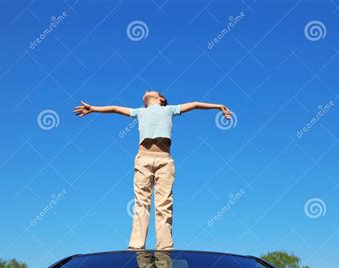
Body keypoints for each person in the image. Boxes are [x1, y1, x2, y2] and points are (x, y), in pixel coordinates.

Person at [74, 91, 232, 250]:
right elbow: (115, 108)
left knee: (164, 204)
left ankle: (165, 247)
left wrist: (218, 106)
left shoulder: (169, 109)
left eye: (150, 91)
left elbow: (196, 104)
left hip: (164, 159)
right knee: (141, 202)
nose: (145, 92)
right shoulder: (140, 112)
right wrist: (93, 108)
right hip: (144, 158)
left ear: (161, 99)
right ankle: (136, 246)